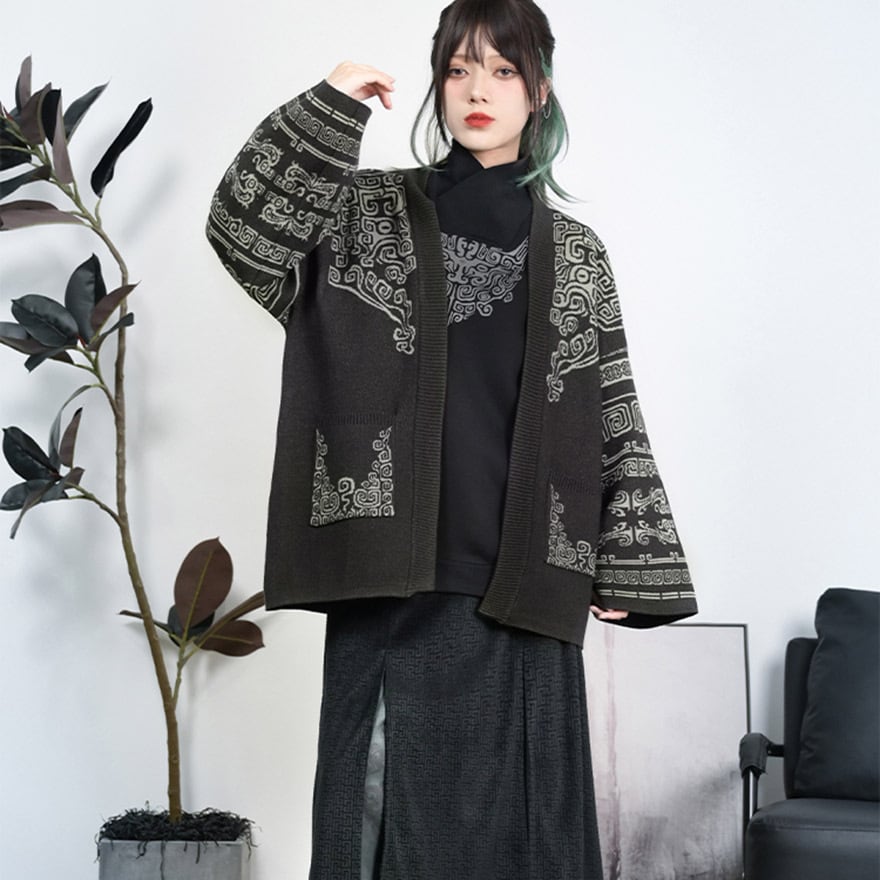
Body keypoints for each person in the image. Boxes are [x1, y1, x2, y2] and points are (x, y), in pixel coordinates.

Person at [206, 0, 697, 877]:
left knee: (528, 837)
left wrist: (626, 558)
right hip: (390, 575)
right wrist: (330, 104)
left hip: (524, 584)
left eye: (503, 71)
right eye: (459, 68)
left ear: (538, 91)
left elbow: (611, 404)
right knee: (375, 828)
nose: (478, 90)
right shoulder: (360, 214)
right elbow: (243, 233)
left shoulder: (576, 252)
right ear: (437, 83)